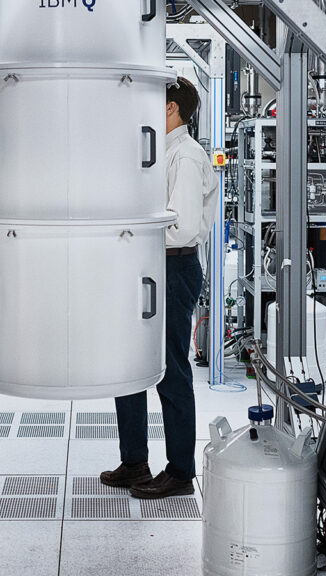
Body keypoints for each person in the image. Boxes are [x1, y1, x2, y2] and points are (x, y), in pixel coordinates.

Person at [101, 77, 217, 499]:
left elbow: (182, 227)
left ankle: (180, 472)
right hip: (146, 267)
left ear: (171, 109)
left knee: (170, 368)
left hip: (173, 270)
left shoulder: (185, 156)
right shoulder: (158, 153)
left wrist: (131, 230)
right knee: (128, 366)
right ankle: (134, 461)